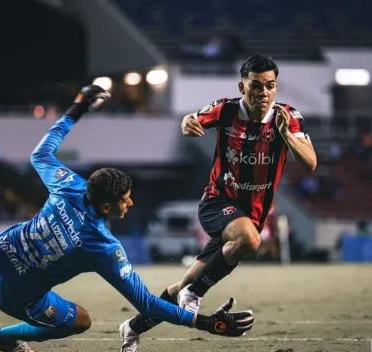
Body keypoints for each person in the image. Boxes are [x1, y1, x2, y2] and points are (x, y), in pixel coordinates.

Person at [0, 85, 254, 352]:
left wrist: (77, 107)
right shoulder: (102, 246)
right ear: (105, 207)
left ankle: (1, 337)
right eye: (125, 200)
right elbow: (147, 304)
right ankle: (6, 339)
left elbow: (41, 152)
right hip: (14, 294)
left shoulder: (70, 184)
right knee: (81, 321)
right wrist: (208, 323)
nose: (130, 204)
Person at [119, 54, 317, 351]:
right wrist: (188, 123)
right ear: (242, 86)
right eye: (256, 85)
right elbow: (191, 121)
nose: (263, 92)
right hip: (217, 202)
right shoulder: (225, 110)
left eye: (270, 86)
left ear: (276, 88)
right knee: (249, 241)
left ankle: (133, 327)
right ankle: (197, 294)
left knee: (180, 288)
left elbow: (311, 162)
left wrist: (286, 134)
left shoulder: (289, 117)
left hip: (251, 214)